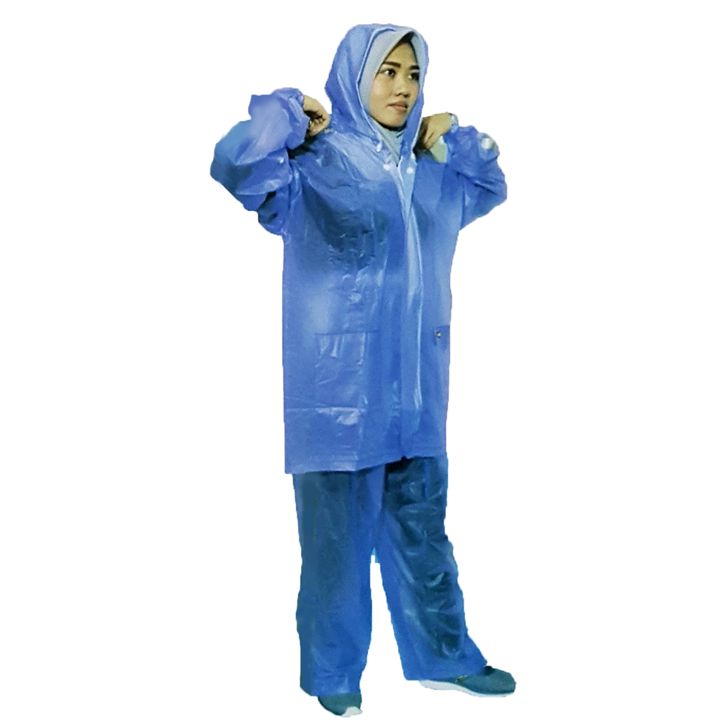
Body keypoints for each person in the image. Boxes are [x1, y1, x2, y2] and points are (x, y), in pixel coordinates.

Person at [210, 23, 514, 717]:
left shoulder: (431, 172)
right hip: (338, 400)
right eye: (387, 71)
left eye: (413, 73)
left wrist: (453, 138)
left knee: (424, 535)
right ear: (354, 77)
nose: (402, 87)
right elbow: (235, 165)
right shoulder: (313, 164)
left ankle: (444, 657)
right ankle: (333, 673)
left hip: (416, 395)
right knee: (335, 550)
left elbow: (491, 184)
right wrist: (289, 115)